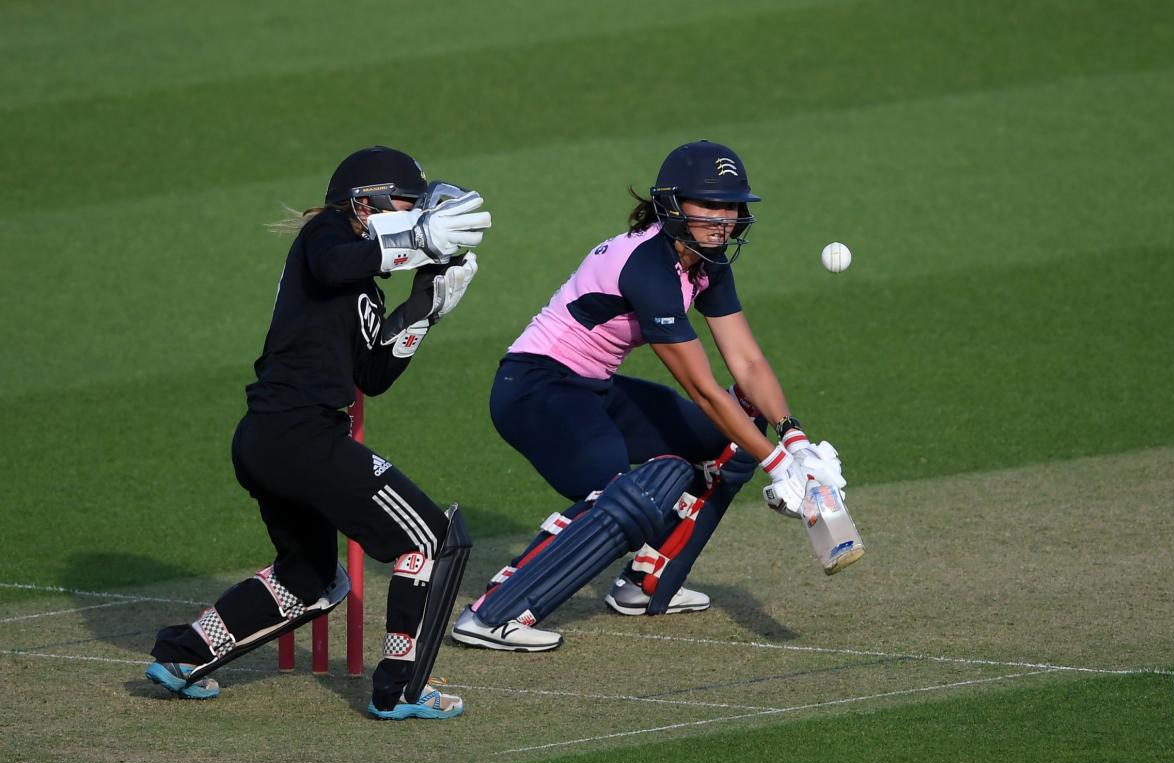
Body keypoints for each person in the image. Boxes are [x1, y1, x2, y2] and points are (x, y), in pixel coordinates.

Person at [450, 140, 846, 652]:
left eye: (730, 206)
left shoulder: (707, 261)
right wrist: (776, 464)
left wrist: (797, 443)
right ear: (673, 204)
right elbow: (703, 389)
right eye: (709, 205)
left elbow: (747, 363)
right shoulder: (647, 266)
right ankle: (492, 615)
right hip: (535, 388)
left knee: (729, 439)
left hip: (594, 389)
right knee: (630, 490)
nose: (723, 219)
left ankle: (645, 583)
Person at [144, 146, 491, 720]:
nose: (416, 211)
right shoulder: (323, 236)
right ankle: (400, 689)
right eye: (408, 202)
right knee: (431, 538)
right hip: (301, 436)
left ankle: (182, 655)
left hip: (270, 440)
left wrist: (423, 311)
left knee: (309, 580)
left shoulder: (362, 281)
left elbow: (372, 376)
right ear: (367, 200)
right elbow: (336, 264)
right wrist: (418, 242)